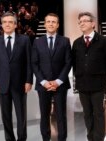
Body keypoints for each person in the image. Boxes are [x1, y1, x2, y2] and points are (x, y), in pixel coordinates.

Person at [0, 12, 33, 141]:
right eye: (4, 22)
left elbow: (29, 63)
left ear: (15, 24)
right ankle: (9, 139)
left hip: (20, 84)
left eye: (10, 22)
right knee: (6, 116)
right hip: (2, 84)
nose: (7, 24)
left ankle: (21, 139)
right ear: (1, 25)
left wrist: (29, 80)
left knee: (21, 115)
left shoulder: (24, 40)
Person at [72, 12, 106, 141]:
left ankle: (98, 138)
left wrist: (99, 74)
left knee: (98, 114)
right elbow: (74, 62)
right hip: (82, 85)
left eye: (85, 21)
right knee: (87, 114)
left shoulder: (103, 40)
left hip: (98, 84)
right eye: (80, 22)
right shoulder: (77, 42)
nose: (82, 23)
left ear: (93, 24)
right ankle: (90, 137)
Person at [31, 13, 72, 141]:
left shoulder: (65, 41)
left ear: (58, 25)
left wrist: (58, 81)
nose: (51, 24)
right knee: (44, 114)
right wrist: (44, 82)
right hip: (43, 85)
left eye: (53, 22)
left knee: (61, 115)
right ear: (44, 24)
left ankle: (62, 139)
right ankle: (46, 138)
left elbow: (68, 62)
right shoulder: (37, 42)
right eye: (48, 21)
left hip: (60, 84)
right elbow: (34, 63)